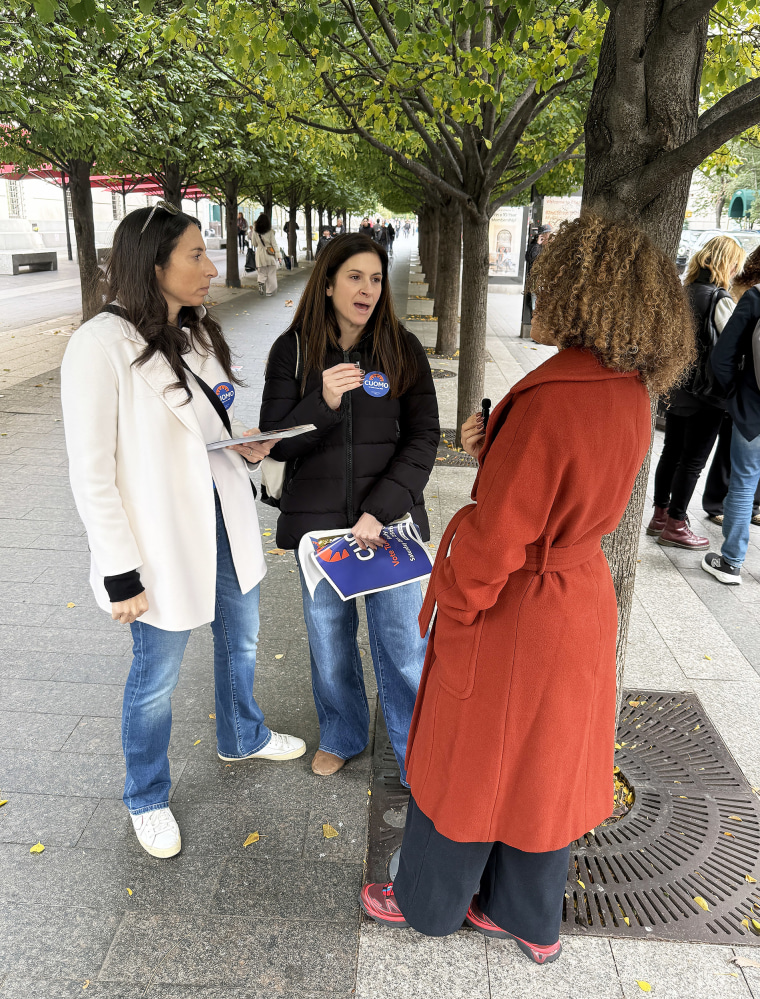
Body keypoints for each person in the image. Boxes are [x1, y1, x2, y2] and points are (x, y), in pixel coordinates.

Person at [359, 214, 695, 963]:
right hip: (576, 597)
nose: (542, 282)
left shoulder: (553, 397)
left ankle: (428, 897)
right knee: (543, 763)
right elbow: (567, 489)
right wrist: (496, 447)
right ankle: (528, 914)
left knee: (469, 755)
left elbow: (498, 534)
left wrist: (459, 596)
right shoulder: (632, 392)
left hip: (518, 606)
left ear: (580, 293)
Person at [60, 202, 306, 860]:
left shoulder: (196, 333)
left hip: (222, 515)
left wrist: (245, 444)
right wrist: (121, 571)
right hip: (158, 538)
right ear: (154, 263)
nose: (213, 267)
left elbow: (213, 421)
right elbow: (92, 473)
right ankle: (145, 792)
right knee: (157, 672)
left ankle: (242, 732)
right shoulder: (97, 347)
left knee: (242, 635)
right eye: (197, 255)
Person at [259, 233, 439, 781]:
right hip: (321, 533)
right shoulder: (291, 351)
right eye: (355, 277)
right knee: (330, 644)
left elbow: (423, 439)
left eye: (377, 279)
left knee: (406, 646)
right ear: (330, 281)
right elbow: (277, 441)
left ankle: (418, 756)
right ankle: (342, 732)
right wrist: (325, 402)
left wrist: (379, 511)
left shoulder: (401, 350)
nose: (367, 289)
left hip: (389, 526)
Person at [647, 235, 745, 548]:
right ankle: (676, 524)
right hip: (707, 393)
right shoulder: (719, 299)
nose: (735, 270)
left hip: (677, 387)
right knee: (692, 461)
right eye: (734, 264)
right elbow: (727, 351)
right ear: (726, 263)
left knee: (672, 452)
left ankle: (660, 515)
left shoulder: (684, 292)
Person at [702, 244, 760, 584]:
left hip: (752, 409)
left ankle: (731, 564)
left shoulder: (754, 298)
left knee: (742, 484)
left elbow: (722, 357)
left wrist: (736, 393)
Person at [251, 213, 282, 297]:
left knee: (261, 272)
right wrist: (278, 256)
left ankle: (261, 282)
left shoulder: (255, 231)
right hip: (269, 254)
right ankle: (269, 291)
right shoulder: (270, 232)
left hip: (260, 254)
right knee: (271, 274)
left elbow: (254, 244)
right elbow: (274, 244)